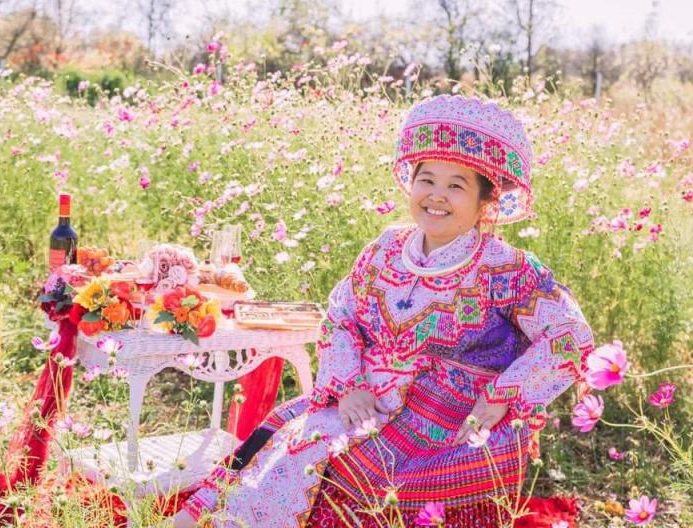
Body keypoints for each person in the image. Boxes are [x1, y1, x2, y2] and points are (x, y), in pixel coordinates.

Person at [170, 95, 595, 527]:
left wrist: (502, 397)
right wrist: (348, 385)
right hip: (365, 396)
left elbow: (571, 337)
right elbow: (341, 315)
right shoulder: (387, 247)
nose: (436, 196)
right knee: (290, 440)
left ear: (486, 202)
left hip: (445, 419)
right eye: (426, 180)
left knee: (361, 474)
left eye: (456, 185)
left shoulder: (506, 267)